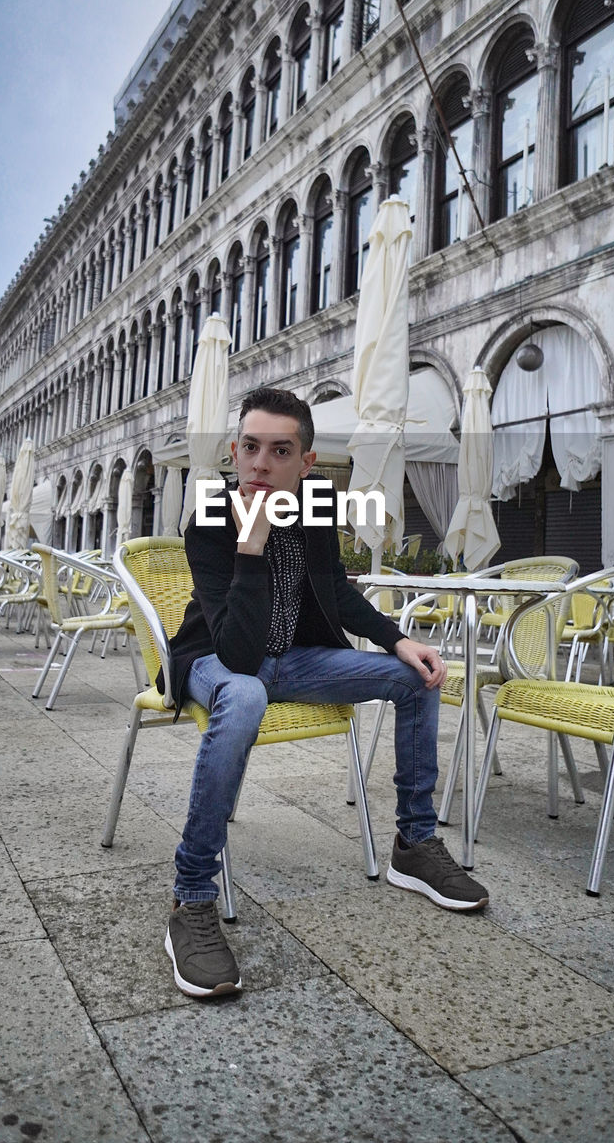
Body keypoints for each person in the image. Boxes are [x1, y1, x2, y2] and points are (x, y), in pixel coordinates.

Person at [162, 386, 488, 998]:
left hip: (296, 658)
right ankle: (193, 896)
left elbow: (334, 591)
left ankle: (414, 844)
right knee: (247, 696)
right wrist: (251, 545)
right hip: (214, 657)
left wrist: (396, 641)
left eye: (280, 451)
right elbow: (236, 654)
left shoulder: (314, 505)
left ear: (305, 462)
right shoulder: (208, 517)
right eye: (250, 448)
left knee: (415, 678)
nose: (260, 464)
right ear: (234, 450)